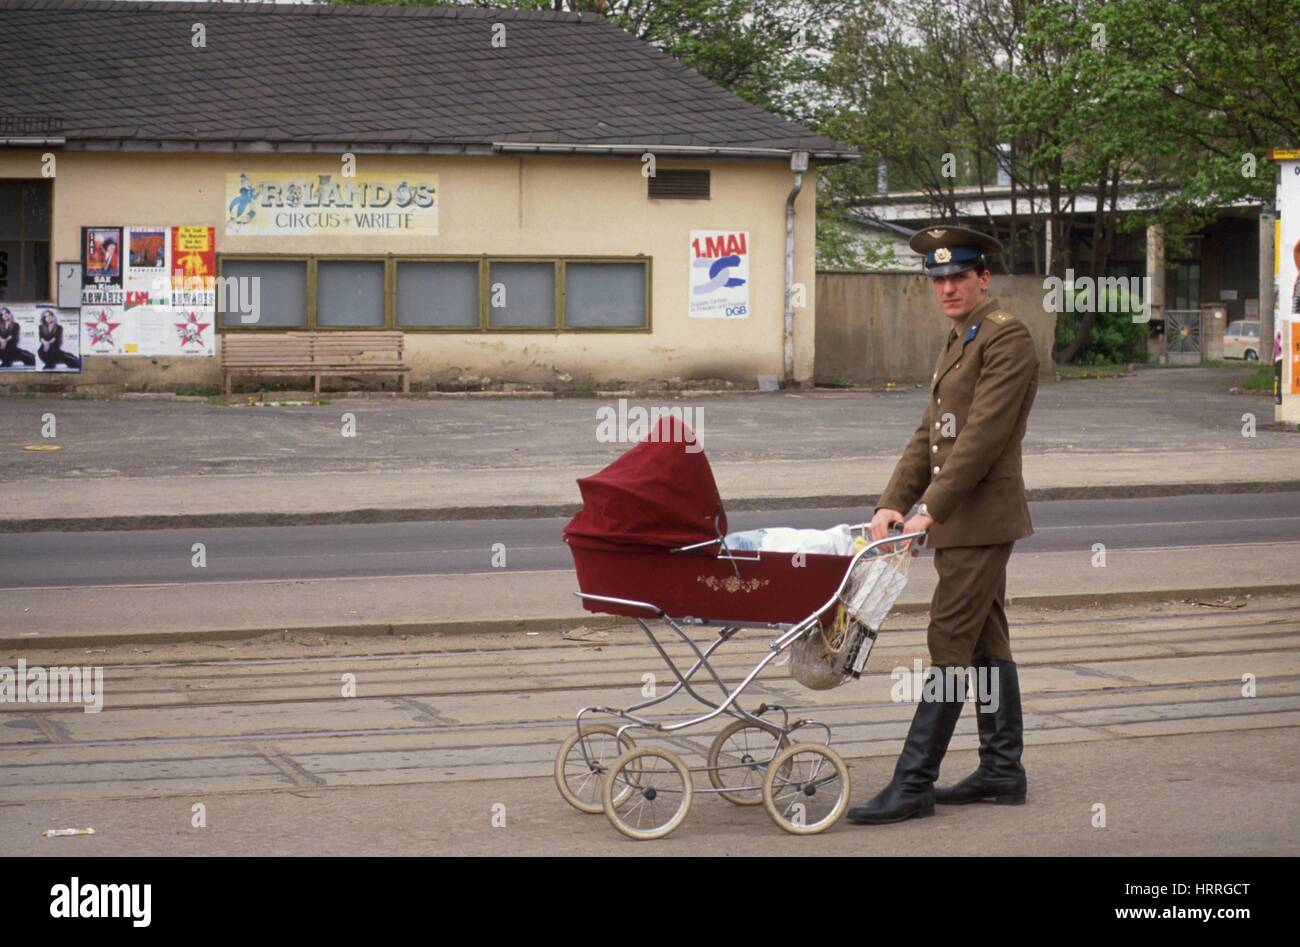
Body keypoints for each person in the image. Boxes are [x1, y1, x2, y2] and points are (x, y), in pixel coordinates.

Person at [848, 225, 1039, 825]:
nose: (948, 288)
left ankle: (913, 783)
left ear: (984, 278)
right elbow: (929, 435)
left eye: (959, 276)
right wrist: (892, 500)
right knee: (987, 640)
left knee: (948, 644)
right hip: (960, 518)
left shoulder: (1007, 339)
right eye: (939, 280)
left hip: (979, 519)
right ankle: (1002, 770)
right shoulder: (961, 338)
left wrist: (929, 508)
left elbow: (981, 439)